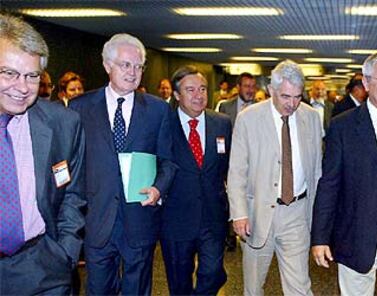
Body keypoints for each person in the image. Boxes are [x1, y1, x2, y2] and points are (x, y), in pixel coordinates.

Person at [70, 33, 176, 295]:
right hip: (97, 220)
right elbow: (72, 163)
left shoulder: (157, 110)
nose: (133, 72)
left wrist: (158, 188)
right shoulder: (79, 108)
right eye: (125, 65)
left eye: (138, 66)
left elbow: (168, 162)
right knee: (98, 289)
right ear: (107, 66)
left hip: (139, 218)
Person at [311, 51, 377, 295]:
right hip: (358, 231)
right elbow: (330, 185)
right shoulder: (343, 126)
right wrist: (320, 237)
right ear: (366, 83)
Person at [0, 14, 86, 295]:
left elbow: (73, 194)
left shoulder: (63, 123)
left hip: (44, 269)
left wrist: (65, 253)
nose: (22, 87)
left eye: (32, 76)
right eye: (9, 73)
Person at [228, 60, 322, 296]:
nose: (292, 103)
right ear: (271, 91)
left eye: (298, 96)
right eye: (285, 96)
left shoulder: (310, 117)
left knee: (300, 286)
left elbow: (317, 171)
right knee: (253, 286)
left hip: (297, 213)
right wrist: (239, 213)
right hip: (258, 212)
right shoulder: (248, 119)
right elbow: (237, 170)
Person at [160, 65, 232, 295]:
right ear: (177, 95)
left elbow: (230, 166)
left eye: (202, 89)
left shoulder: (222, 122)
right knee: (179, 282)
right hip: (176, 219)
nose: (199, 95)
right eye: (190, 90)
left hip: (213, 216)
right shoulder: (163, 124)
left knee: (212, 273)